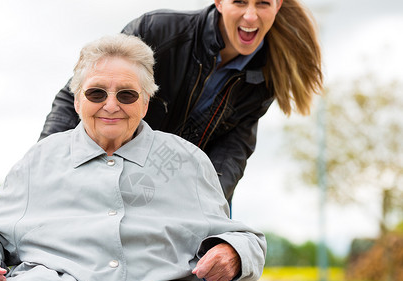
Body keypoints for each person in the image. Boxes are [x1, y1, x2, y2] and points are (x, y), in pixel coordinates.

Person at [0, 34, 266, 281]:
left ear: (145, 102)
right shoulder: (40, 160)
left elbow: (245, 239)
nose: (111, 105)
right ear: (77, 101)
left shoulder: (187, 160)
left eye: (127, 94)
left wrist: (231, 252)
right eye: (96, 93)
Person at [39, 0, 323, 203]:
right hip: (116, 165)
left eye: (262, 3)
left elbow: (234, 145)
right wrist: (47, 164)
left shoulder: (267, 72)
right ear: (220, 3)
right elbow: (77, 94)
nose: (250, 16)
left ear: (278, 6)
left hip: (184, 182)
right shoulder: (157, 30)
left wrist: (207, 200)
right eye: (239, 2)